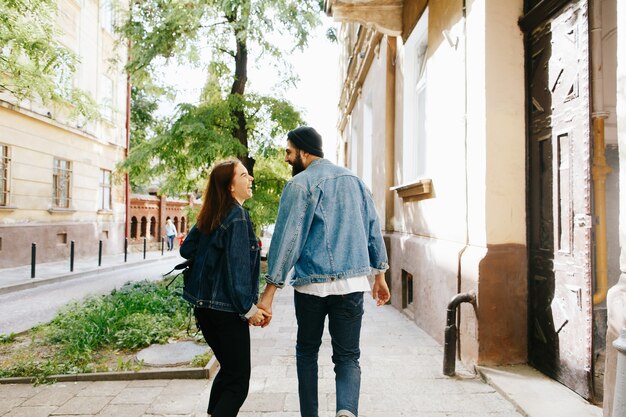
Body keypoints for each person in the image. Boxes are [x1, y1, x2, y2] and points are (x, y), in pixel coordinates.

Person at [258, 126, 391, 417]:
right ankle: (346, 411)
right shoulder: (354, 181)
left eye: (289, 152)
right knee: (348, 357)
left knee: (307, 352)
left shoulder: (299, 185)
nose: (286, 158)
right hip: (351, 285)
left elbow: (287, 241)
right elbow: (372, 227)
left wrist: (269, 294)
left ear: (305, 152)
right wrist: (379, 274)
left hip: (311, 288)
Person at [180, 159, 270, 417]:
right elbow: (237, 271)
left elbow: (186, 249)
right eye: (244, 175)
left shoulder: (213, 214)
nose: (250, 178)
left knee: (229, 371)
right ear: (231, 187)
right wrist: (249, 309)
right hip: (227, 312)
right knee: (239, 382)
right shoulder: (237, 217)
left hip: (204, 310)